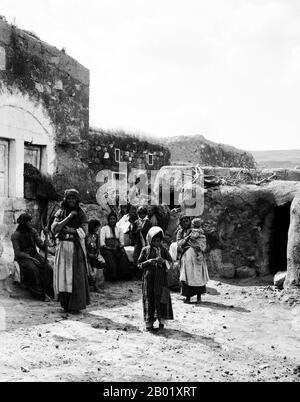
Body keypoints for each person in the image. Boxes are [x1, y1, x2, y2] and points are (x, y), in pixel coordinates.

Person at [51, 189, 90, 313]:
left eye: (73, 198)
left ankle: (75, 305)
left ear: (77, 200)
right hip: (62, 248)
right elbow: (55, 229)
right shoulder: (60, 212)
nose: (71, 200)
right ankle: (65, 304)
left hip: (75, 248)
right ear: (65, 199)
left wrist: (66, 230)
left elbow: (83, 232)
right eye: (69, 198)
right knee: (63, 276)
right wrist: (69, 217)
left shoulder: (81, 213)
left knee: (75, 277)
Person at [11, 213, 54, 301]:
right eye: (29, 221)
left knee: (48, 268)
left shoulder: (33, 231)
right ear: (24, 222)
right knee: (33, 270)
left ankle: (48, 290)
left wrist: (47, 246)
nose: (31, 222)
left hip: (35, 255)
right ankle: (39, 294)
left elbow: (41, 244)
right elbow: (18, 252)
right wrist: (30, 258)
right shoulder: (15, 235)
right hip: (23, 258)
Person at [138, 226, 174, 332]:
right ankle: (149, 324)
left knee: (162, 297)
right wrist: (148, 262)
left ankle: (162, 323)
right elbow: (139, 264)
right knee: (149, 298)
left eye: (158, 240)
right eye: (154, 240)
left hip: (162, 280)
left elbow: (171, 262)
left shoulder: (163, 250)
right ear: (149, 239)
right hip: (148, 280)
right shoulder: (145, 250)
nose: (156, 242)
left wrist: (163, 261)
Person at [178, 217, 209, 304]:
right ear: (181, 223)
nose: (185, 223)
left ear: (190, 222)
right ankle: (188, 297)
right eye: (183, 222)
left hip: (197, 255)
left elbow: (203, 242)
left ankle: (199, 297)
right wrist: (187, 237)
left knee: (198, 274)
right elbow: (179, 243)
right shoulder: (180, 232)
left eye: (187, 221)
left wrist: (199, 246)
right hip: (187, 255)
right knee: (188, 275)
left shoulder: (196, 230)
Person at [100, 212, 132, 281]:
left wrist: (118, 247)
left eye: (114, 219)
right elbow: (102, 243)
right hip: (107, 248)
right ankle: (112, 276)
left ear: (116, 220)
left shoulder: (119, 229)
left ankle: (125, 274)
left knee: (123, 254)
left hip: (117, 247)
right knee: (110, 255)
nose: (112, 220)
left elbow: (122, 242)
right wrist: (110, 248)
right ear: (108, 220)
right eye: (111, 219)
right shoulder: (104, 229)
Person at [131, 206, 152, 277]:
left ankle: (145, 273)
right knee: (136, 257)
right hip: (138, 242)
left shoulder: (149, 222)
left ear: (145, 214)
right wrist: (137, 231)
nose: (141, 215)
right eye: (140, 213)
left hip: (146, 243)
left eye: (143, 213)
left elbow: (151, 233)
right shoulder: (136, 222)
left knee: (145, 256)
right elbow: (132, 234)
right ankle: (136, 273)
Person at [86, 219, 106, 292]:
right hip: (87, 255)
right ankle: (90, 285)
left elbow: (98, 246)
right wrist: (89, 254)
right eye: (96, 227)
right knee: (89, 270)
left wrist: (96, 254)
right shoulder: (86, 235)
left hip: (94, 255)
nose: (97, 229)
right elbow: (85, 246)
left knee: (98, 267)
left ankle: (96, 285)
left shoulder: (96, 236)